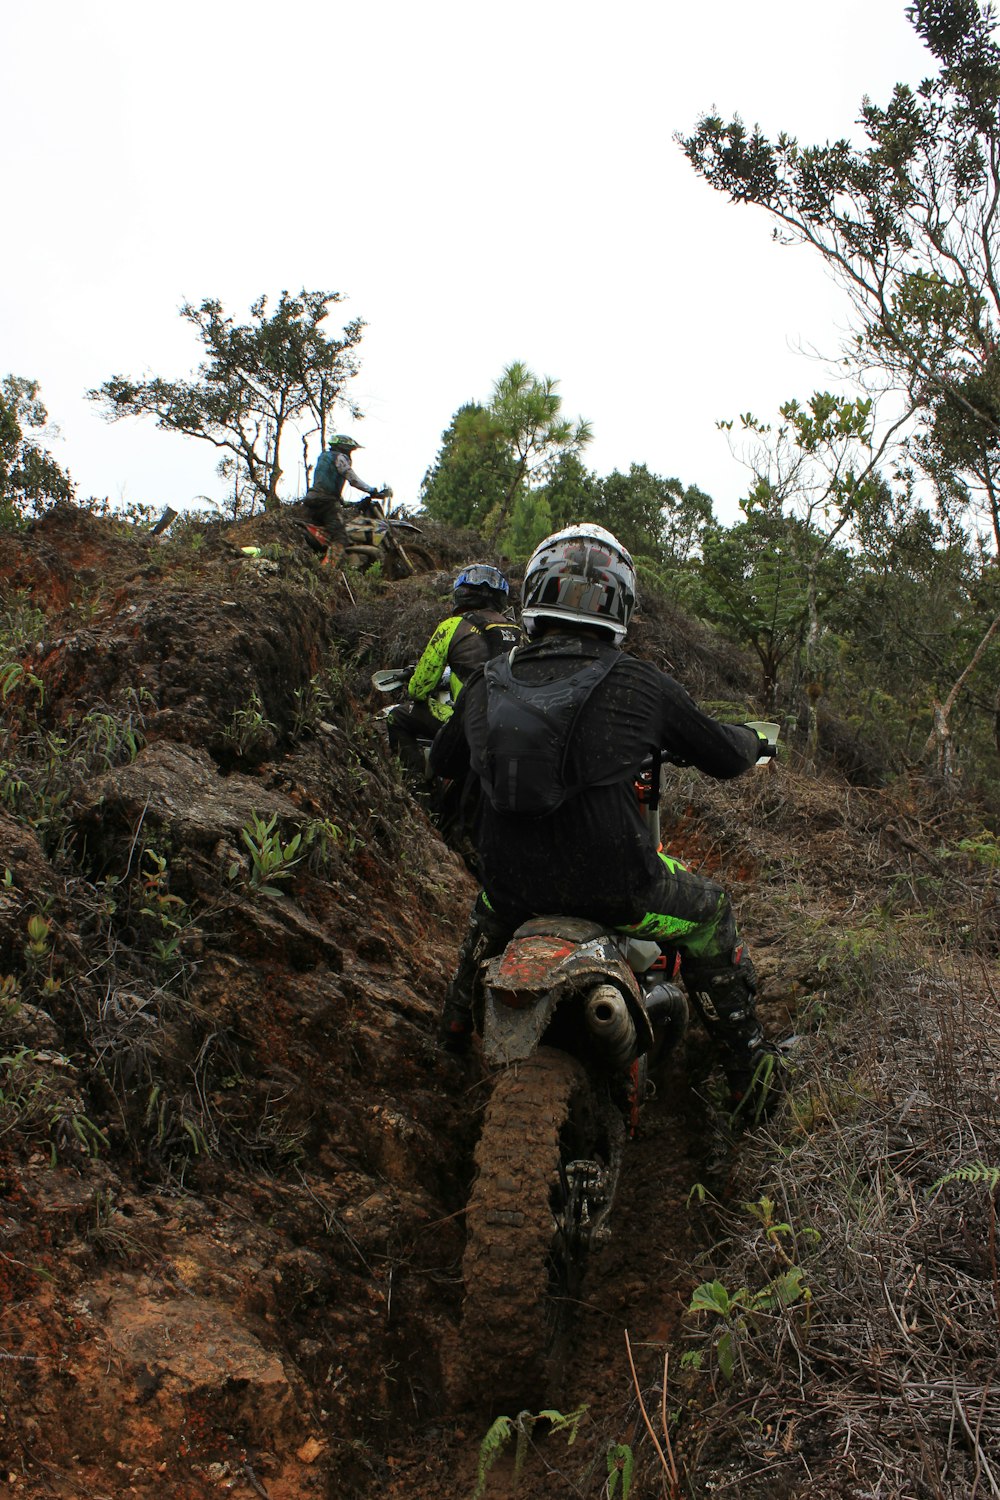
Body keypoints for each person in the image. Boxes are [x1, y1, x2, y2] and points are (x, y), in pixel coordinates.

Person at [429, 523, 782, 1119]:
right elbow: (723, 756)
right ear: (620, 604)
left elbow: (441, 763)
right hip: (620, 891)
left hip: (512, 889)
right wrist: (752, 739)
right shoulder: (639, 683)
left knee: (483, 915)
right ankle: (750, 1076)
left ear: (535, 591)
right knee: (712, 912)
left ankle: (450, 1039)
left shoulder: (488, 680)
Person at [386, 564, 521, 776]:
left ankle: (418, 789)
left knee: (397, 717)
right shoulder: (518, 630)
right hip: (514, 724)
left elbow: (418, 689)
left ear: (462, 593)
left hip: (470, 721)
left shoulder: (452, 626)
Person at [303, 434, 387, 561]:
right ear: (344, 448)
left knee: (328, 535)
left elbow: (325, 483)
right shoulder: (340, 458)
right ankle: (328, 571)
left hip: (311, 500)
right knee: (340, 537)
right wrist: (371, 490)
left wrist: (346, 503)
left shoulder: (324, 457)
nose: (351, 454)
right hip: (326, 503)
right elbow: (353, 479)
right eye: (350, 450)